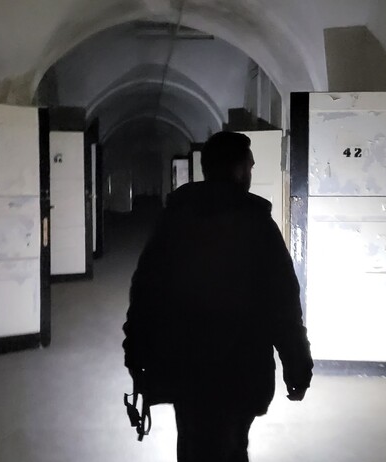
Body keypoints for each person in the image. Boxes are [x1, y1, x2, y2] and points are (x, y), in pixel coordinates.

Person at [123, 131, 313, 462]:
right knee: (232, 445)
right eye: (249, 166)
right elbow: (282, 303)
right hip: (240, 367)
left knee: (192, 440)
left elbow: (146, 291)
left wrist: (136, 352)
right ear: (238, 170)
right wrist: (297, 365)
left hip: (184, 365)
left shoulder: (175, 220)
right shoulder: (257, 225)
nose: (251, 173)